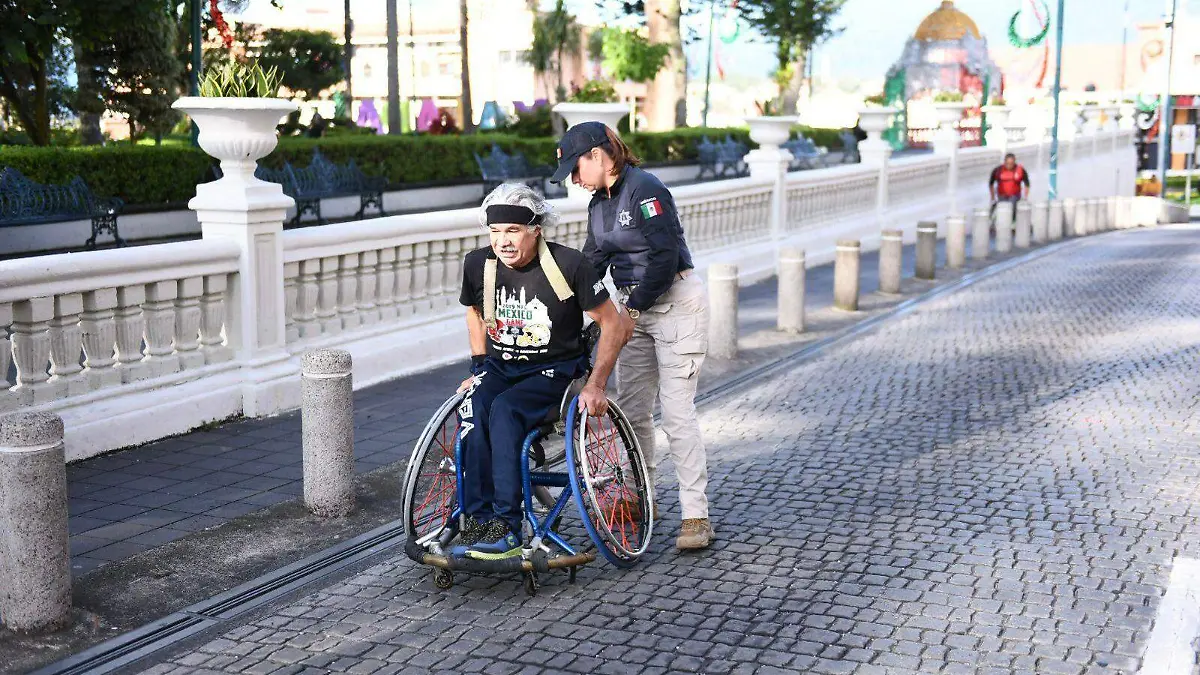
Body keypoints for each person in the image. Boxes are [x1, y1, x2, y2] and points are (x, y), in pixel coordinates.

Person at [549, 121, 715, 551]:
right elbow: (591, 262)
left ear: (599, 157)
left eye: (575, 168)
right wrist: (562, 307)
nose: (573, 179)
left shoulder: (647, 190)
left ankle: (695, 515)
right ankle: (644, 497)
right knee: (635, 412)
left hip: (675, 301)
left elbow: (663, 258)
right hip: (632, 309)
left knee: (677, 413)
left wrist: (632, 309)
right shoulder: (597, 204)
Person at [454, 183, 630, 561]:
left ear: (536, 229)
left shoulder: (569, 265)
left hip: (555, 371)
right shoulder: (477, 264)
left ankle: (507, 526)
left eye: (513, 231)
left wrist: (597, 384)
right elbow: (473, 312)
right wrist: (478, 366)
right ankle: (479, 520)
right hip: (501, 366)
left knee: (505, 411)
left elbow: (612, 324)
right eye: (495, 231)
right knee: (473, 408)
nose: (503, 241)